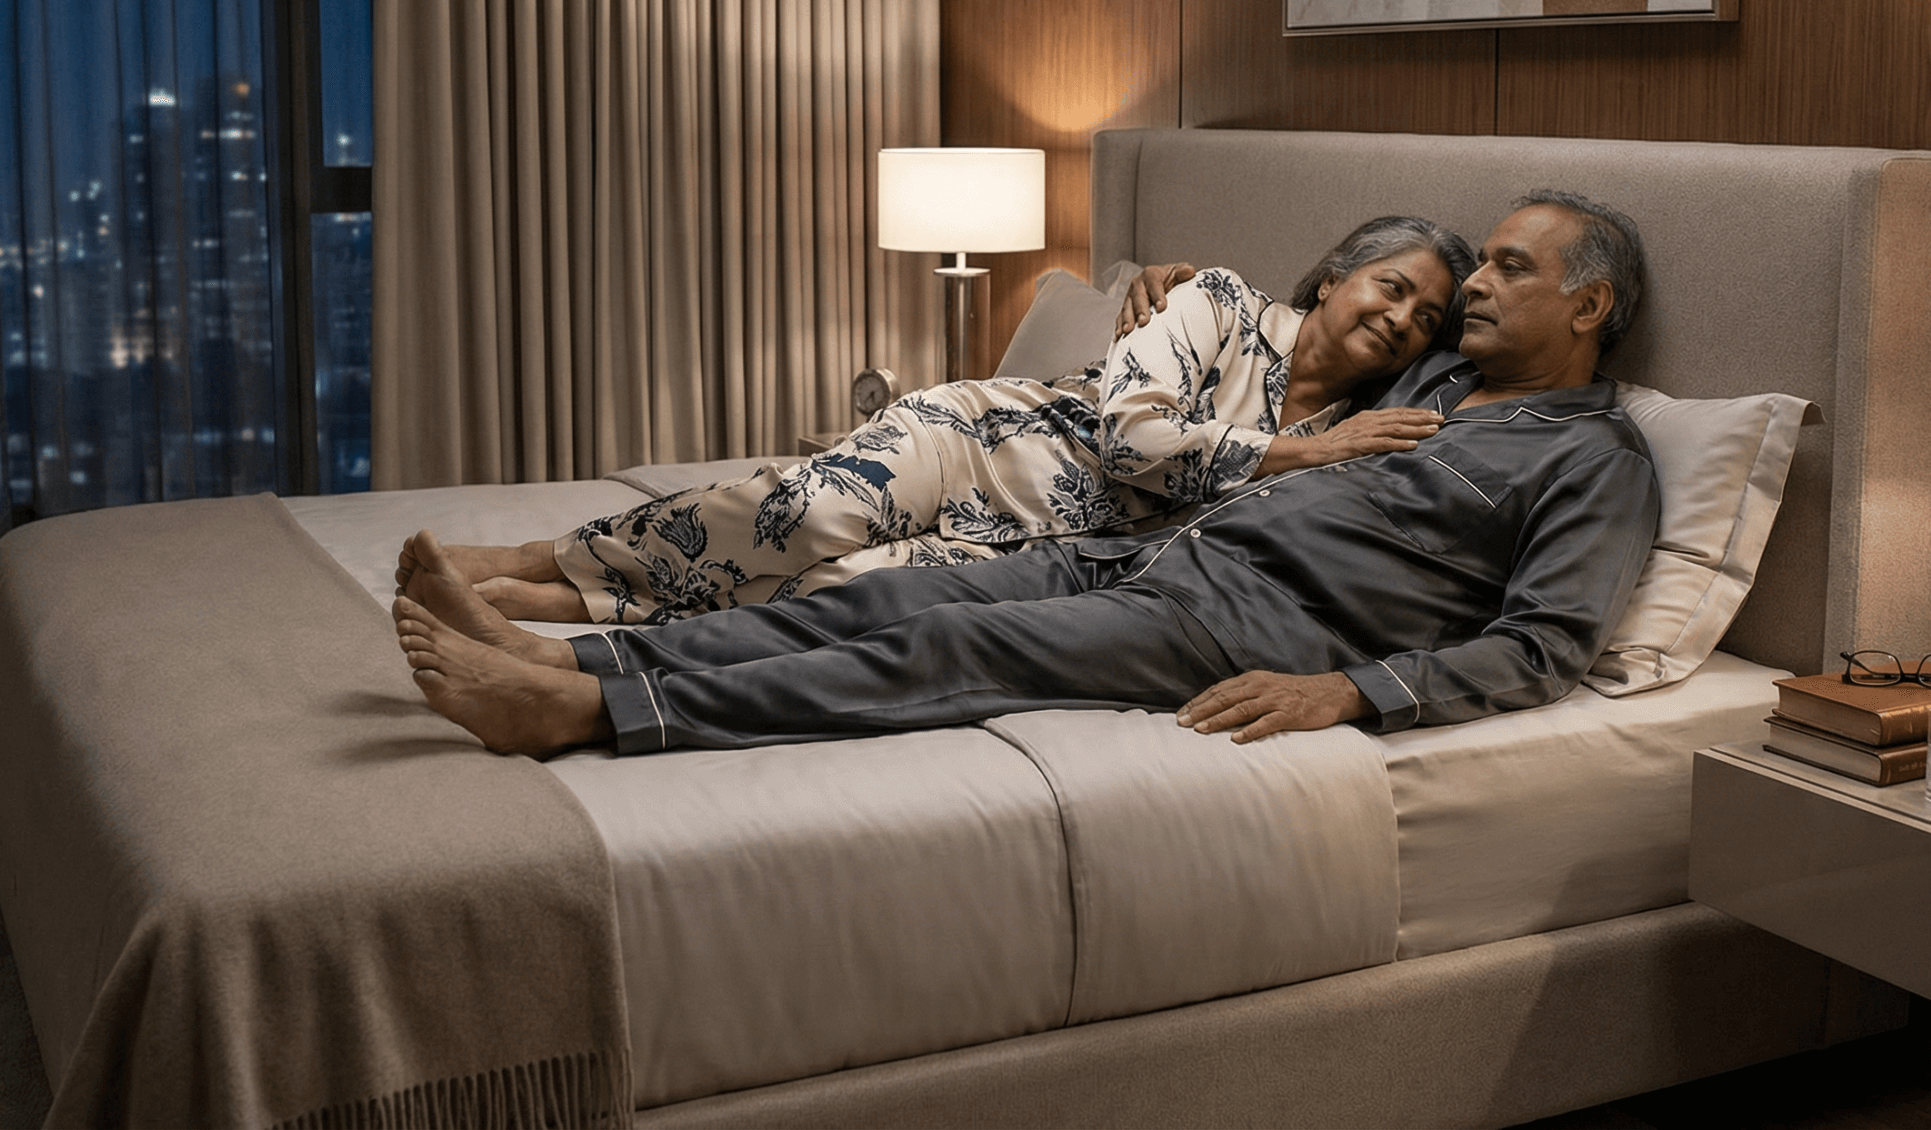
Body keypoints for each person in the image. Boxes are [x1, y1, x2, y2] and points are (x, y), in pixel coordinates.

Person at [394, 191, 1660, 757]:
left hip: (1241, 615)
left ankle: (592, 714)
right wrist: (1168, 278)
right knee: (876, 591)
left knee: (944, 644)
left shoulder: (1590, 458)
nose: (1461, 294)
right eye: (1461, 274)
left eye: (1504, 270)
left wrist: (1350, 691)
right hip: (1122, 540)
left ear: (1589, 304)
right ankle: (574, 656)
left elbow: (1545, 644)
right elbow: (1284, 347)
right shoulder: (1435, 380)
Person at [414, 217, 1475, 625]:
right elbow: (1130, 440)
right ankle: (530, 556)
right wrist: (1287, 450)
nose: (1399, 318)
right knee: (802, 515)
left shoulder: (1355, 429)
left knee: (838, 591)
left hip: (1033, 544)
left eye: (1425, 317)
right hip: (978, 444)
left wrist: (1319, 451)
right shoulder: (1216, 299)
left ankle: (558, 605)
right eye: (1390, 286)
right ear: (1333, 276)